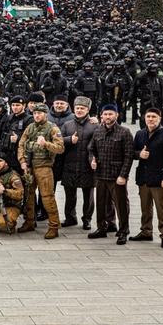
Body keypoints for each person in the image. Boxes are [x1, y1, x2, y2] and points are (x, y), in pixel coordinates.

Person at [88, 104, 134, 244]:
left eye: (110, 114)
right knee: (101, 204)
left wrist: (123, 176)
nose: (107, 117)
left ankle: (123, 231)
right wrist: (92, 160)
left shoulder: (124, 132)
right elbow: (91, 149)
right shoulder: (98, 131)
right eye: (105, 114)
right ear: (101, 115)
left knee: (121, 205)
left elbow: (129, 156)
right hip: (101, 174)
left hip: (116, 176)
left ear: (116, 115)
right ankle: (102, 228)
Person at [17, 103, 64, 239]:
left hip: (44, 167)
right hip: (29, 167)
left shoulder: (52, 128)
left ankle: (54, 226)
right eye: (35, 113)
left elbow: (60, 148)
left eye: (40, 113)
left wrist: (46, 144)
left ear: (45, 114)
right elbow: (21, 145)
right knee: (29, 196)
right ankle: (29, 222)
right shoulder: (30, 127)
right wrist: (22, 161)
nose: (37, 116)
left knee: (47, 197)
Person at [130, 108, 163, 248]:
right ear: (144, 118)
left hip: (159, 177)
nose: (150, 119)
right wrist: (139, 155)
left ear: (159, 118)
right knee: (145, 207)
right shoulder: (140, 134)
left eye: (153, 117)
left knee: (162, 208)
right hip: (143, 177)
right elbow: (132, 152)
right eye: (148, 116)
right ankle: (146, 231)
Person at [60, 96, 97, 230]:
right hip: (70, 165)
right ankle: (70, 217)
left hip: (87, 166)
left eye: (82, 108)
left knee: (89, 196)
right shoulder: (67, 125)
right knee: (70, 195)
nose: (79, 110)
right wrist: (70, 140)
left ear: (88, 110)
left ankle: (87, 219)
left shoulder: (94, 125)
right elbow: (58, 141)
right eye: (77, 108)